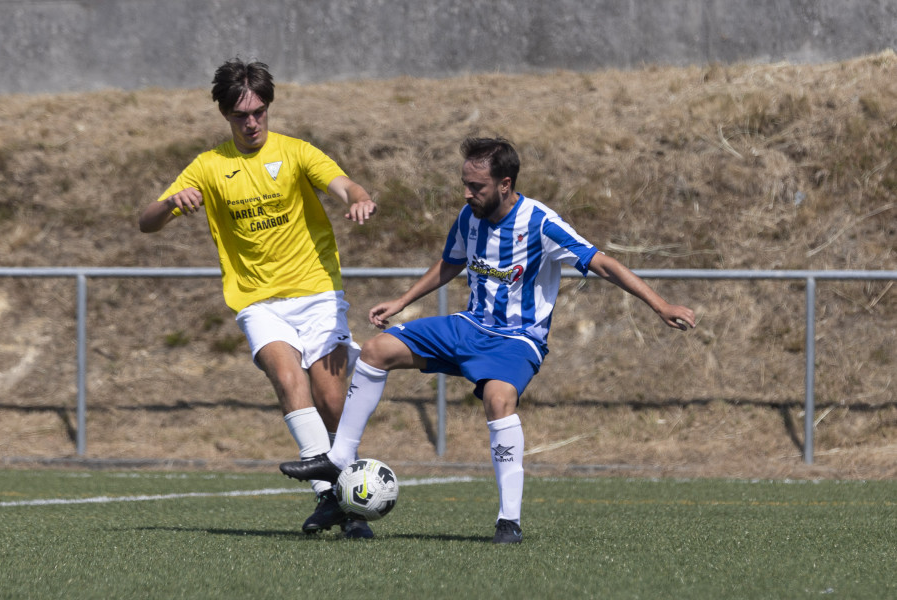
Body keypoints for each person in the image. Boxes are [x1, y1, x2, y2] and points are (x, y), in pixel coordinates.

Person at [279, 136, 696, 543]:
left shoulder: (540, 222)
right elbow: (450, 263)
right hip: (469, 326)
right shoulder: (469, 218)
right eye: (464, 183)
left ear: (504, 184)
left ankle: (508, 521)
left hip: (517, 339)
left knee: (499, 400)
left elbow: (603, 263)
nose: (466, 193)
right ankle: (339, 457)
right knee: (376, 349)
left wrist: (660, 305)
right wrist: (402, 301)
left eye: (475, 186)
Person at [139, 59, 378, 539]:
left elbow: (343, 183)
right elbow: (146, 222)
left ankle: (345, 502)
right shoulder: (209, 166)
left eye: (258, 112)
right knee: (289, 379)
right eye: (240, 115)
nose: (251, 123)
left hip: (317, 293)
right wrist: (170, 204)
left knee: (333, 402)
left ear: (268, 107)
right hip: (258, 301)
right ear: (225, 115)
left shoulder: (295, 153)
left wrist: (356, 197)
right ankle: (335, 499)